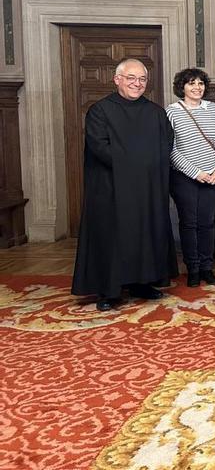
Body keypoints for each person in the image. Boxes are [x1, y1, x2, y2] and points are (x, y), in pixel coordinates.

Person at [71, 58, 178, 311]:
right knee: (112, 238)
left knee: (146, 234)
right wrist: (138, 165)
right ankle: (109, 290)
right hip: (112, 190)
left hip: (147, 190)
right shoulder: (100, 110)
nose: (137, 83)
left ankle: (143, 282)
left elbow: (166, 145)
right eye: (131, 78)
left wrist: (146, 167)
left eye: (142, 79)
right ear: (117, 79)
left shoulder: (156, 113)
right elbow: (99, 147)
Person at [166, 68, 215, 288]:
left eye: (201, 83)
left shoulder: (214, 109)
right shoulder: (172, 112)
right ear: (182, 87)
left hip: (214, 176)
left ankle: (207, 267)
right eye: (191, 83)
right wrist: (196, 172)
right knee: (189, 223)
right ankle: (193, 268)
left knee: (207, 223)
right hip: (185, 177)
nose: (197, 87)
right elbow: (171, 150)